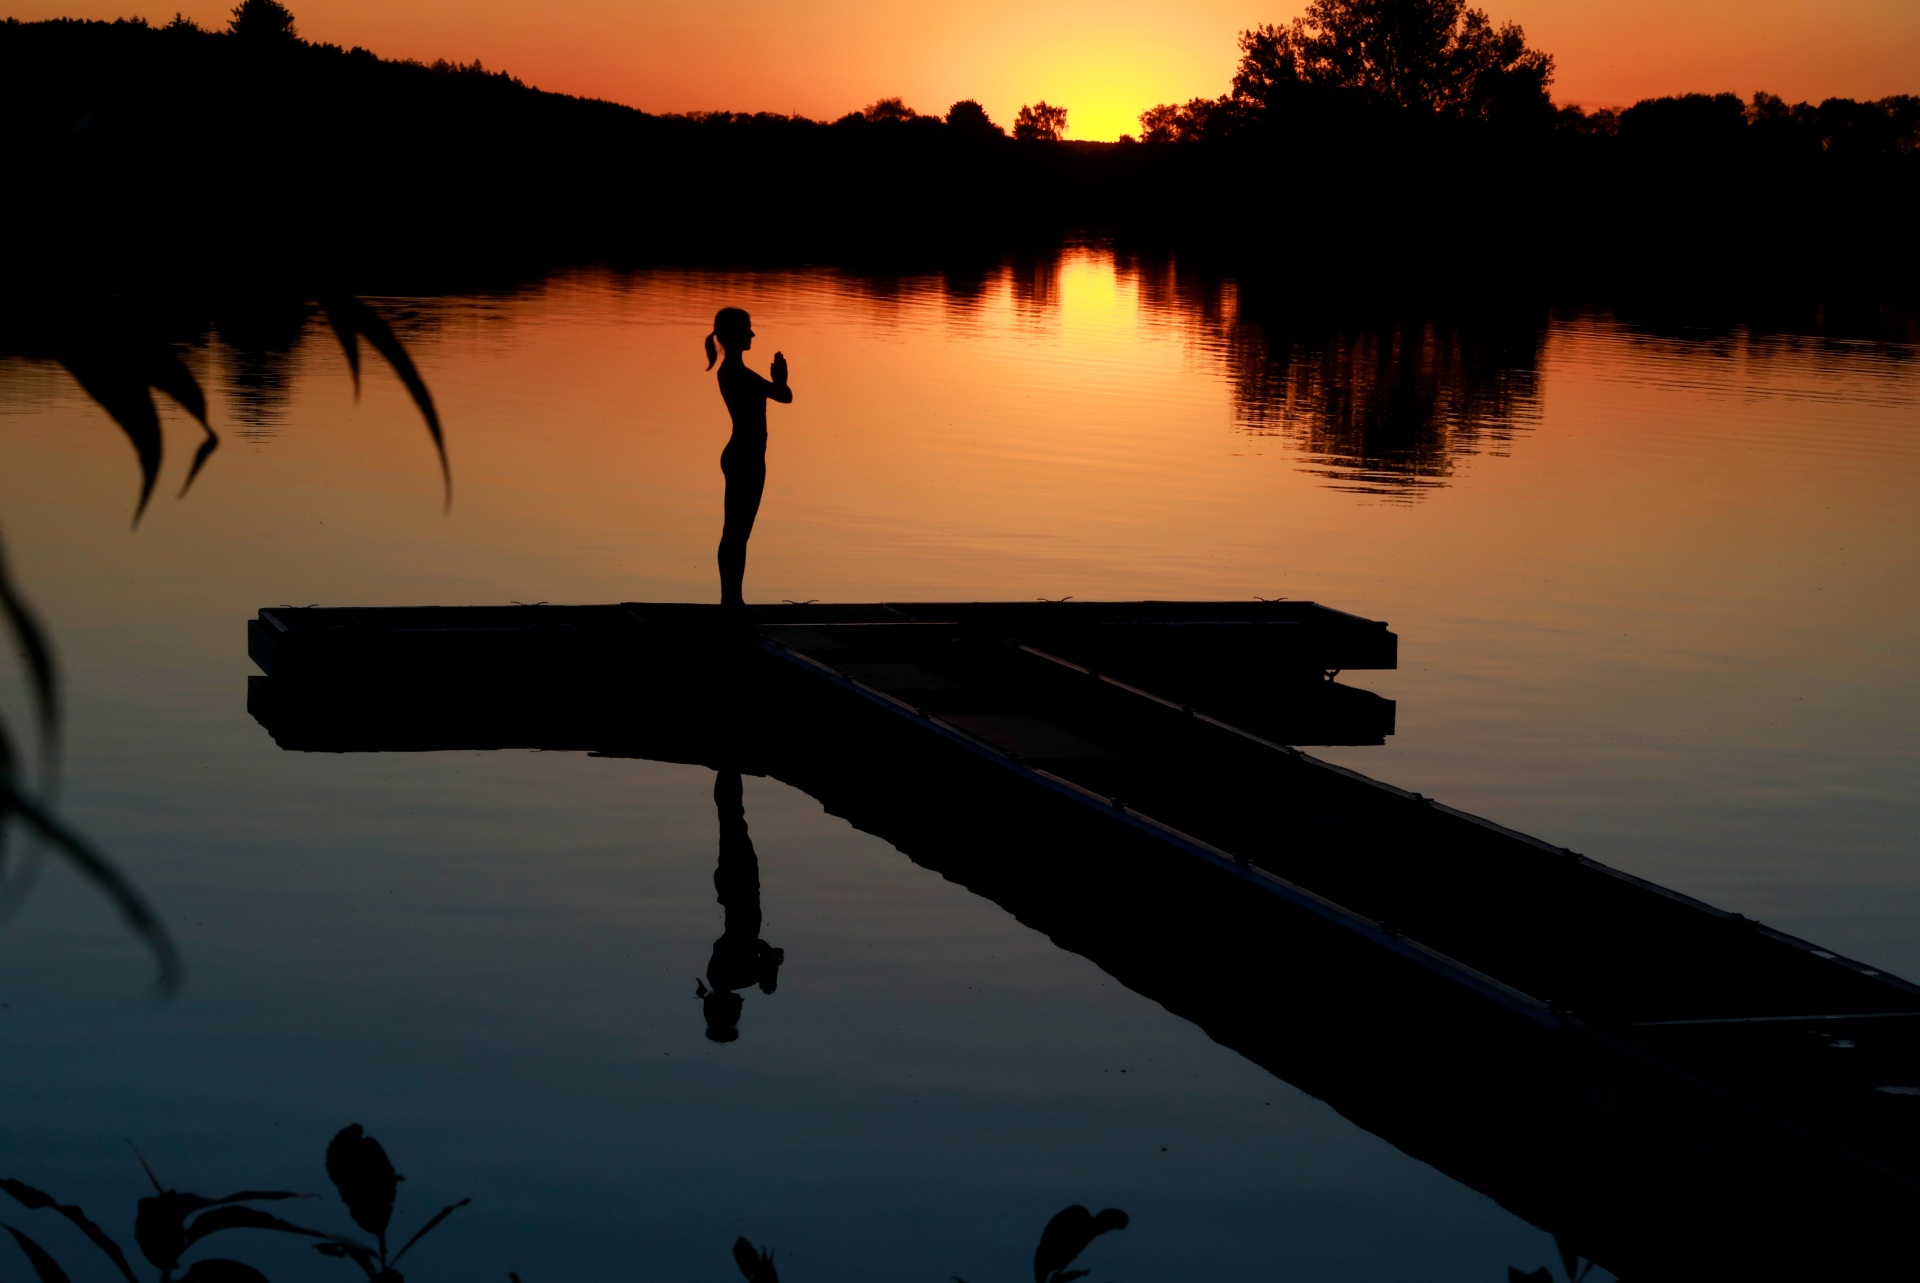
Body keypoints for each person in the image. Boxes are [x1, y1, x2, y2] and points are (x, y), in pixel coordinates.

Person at [704, 308, 792, 610]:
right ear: (732, 335)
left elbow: (781, 395)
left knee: (737, 532)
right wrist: (780, 379)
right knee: (736, 532)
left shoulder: (734, 372)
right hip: (745, 456)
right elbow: (784, 396)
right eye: (747, 330)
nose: (752, 335)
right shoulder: (737, 373)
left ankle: (731, 599)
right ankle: (731, 600)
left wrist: (778, 381)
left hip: (744, 454)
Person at [695, 768, 785, 1042]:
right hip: (730, 892)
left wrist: (770, 970)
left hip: (741, 891)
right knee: (730, 818)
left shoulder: (744, 978)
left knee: (732, 818)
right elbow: (736, 944)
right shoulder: (715, 976)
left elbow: (762, 948)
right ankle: (728, 768)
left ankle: (729, 767)